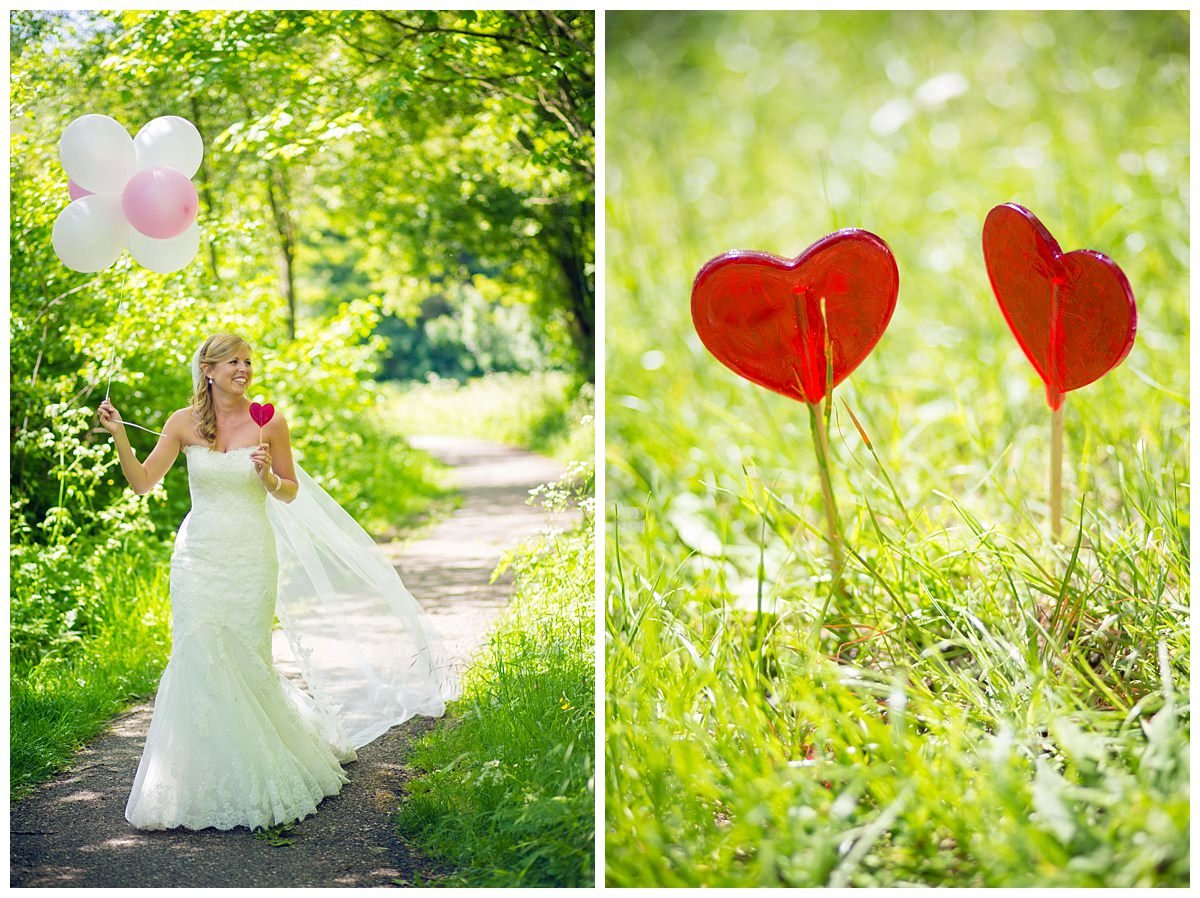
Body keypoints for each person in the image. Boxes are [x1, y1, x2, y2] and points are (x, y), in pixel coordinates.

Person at [97, 333, 457, 831]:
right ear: (208, 370)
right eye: (232, 362)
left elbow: (288, 492)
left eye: (248, 361)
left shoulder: (270, 421)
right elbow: (142, 482)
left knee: (245, 655)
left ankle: (266, 761)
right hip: (198, 555)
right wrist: (118, 433)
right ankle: (194, 774)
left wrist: (267, 478)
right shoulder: (182, 423)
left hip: (250, 553)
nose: (243, 369)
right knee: (197, 650)